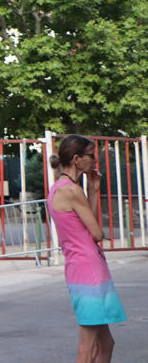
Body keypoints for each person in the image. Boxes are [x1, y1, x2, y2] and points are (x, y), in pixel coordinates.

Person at [47, 134, 126, 362]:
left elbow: (85, 223)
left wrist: (93, 190)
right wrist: (90, 192)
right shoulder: (70, 190)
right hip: (87, 269)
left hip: (82, 268)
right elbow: (97, 233)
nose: (95, 160)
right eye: (91, 155)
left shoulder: (61, 188)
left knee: (105, 343)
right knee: (89, 345)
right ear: (76, 159)